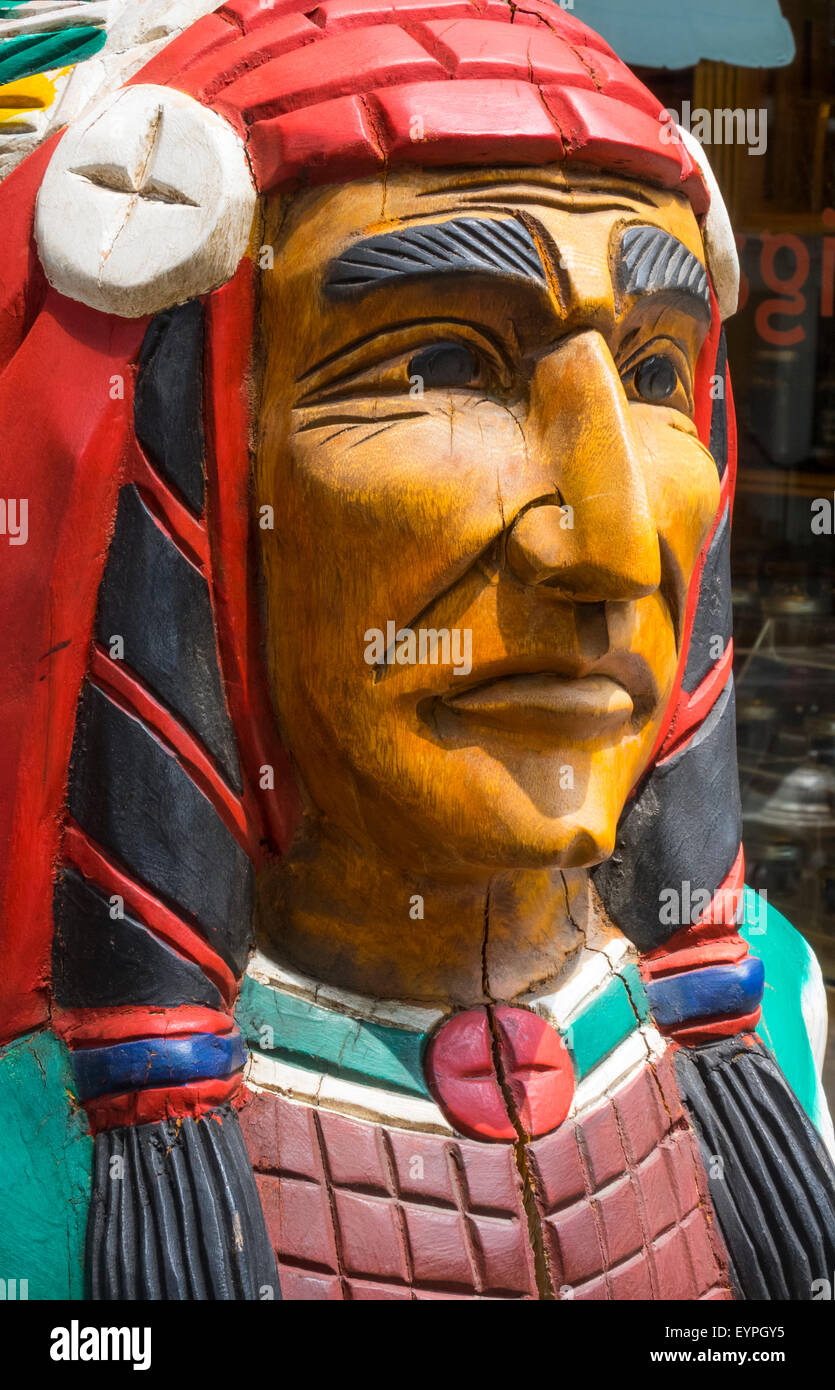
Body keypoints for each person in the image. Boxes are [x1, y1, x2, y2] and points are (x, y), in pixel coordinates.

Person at [0, 0, 833, 1301]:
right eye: (441, 358)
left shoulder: (784, 1007)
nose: (614, 546)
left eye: (661, 376)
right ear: (189, 482)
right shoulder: (20, 1140)